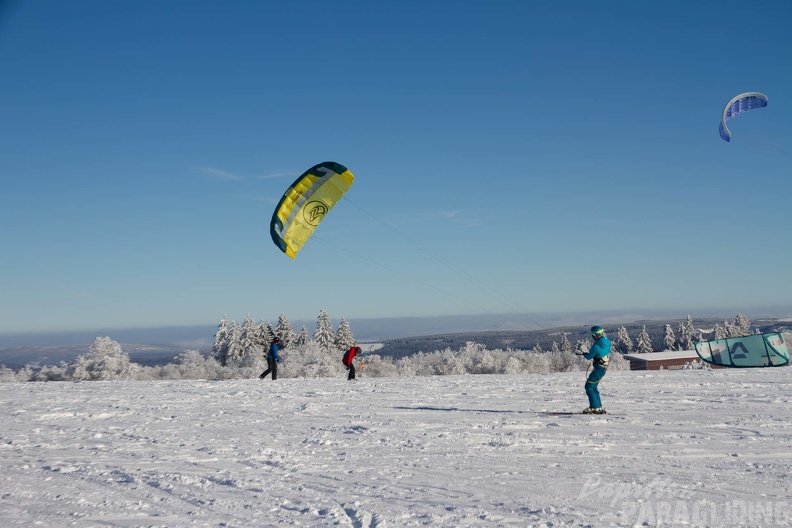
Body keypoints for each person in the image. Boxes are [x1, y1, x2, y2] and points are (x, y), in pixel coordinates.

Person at [579, 326, 611, 414]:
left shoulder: (596, 346)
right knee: (593, 386)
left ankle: (594, 407)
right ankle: (598, 406)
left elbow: (589, 356)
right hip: (603, 367)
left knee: (589, 387)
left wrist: (583, 353)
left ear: (594, 335)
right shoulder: (606, 341)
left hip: (598, 368)